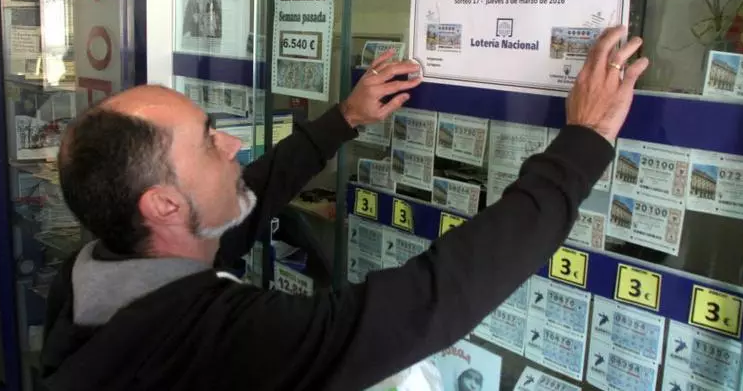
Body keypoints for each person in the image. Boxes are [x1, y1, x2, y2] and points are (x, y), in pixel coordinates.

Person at [41, 26, 648, 391]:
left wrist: (345, 119)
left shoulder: (96, 274)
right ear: (165, 205)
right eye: (207, 140)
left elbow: (249, 199)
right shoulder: (211, 341)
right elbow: (427, 303)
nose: (231, 144)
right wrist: (584, 143)